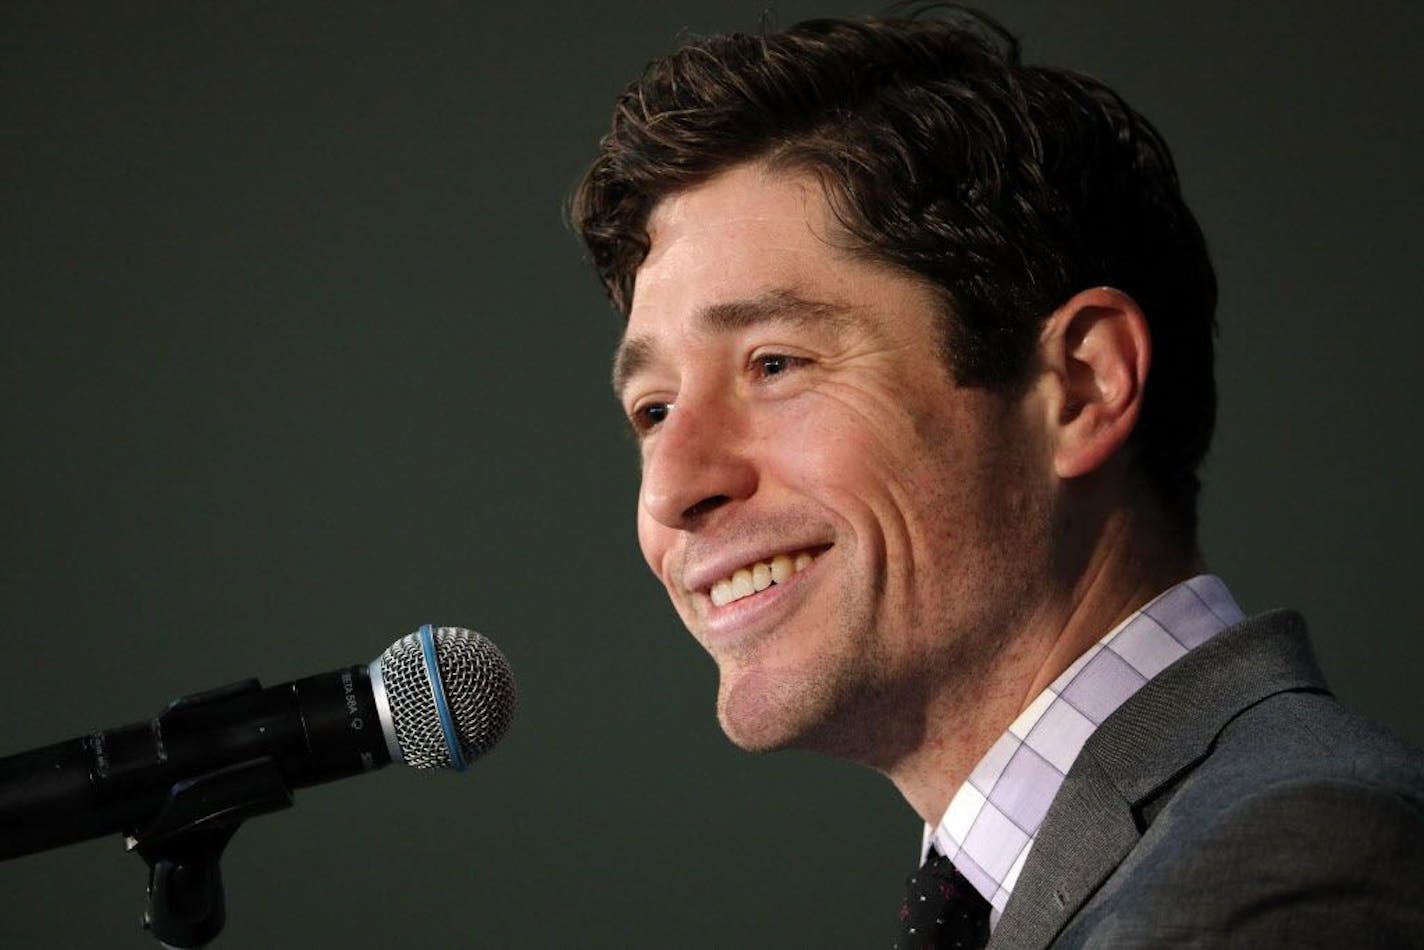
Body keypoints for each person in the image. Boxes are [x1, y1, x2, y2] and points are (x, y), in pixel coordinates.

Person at [571, 9, 1424, 948]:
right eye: (652, 412)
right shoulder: (1053, 889)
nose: (671, 491)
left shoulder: (1289, 874)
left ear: (1081, 387)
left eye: (774, 365)